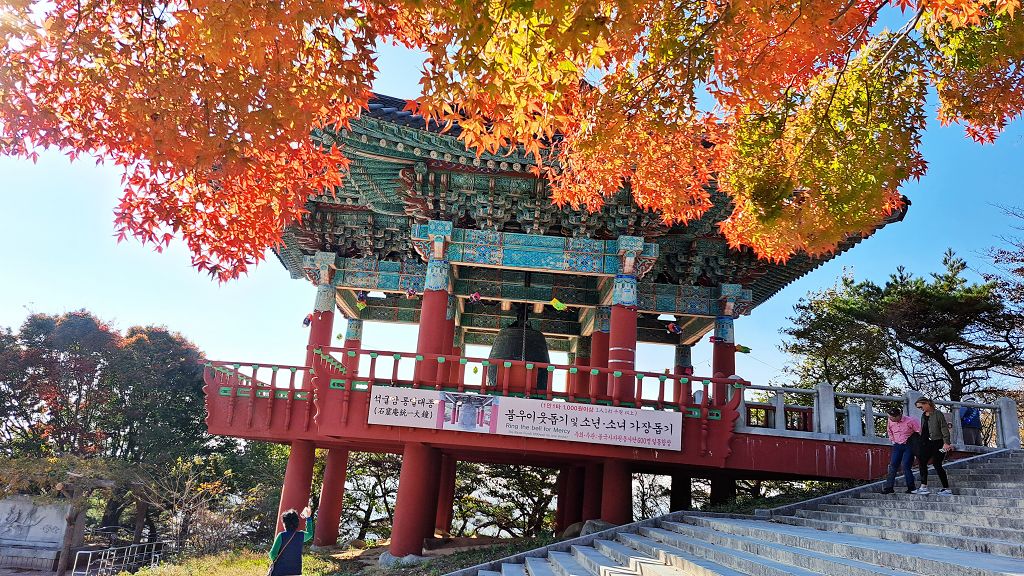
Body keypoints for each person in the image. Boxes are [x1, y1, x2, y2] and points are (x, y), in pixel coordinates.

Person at [913, 398, 953, 496]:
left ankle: (946, 488)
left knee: (937, 464)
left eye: (921, 407)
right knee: (922, 462)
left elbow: (944, 428)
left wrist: (946, 442)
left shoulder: (938, 414)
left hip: (939, 443)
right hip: (925, 443)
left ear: (927, 403)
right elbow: (923, 429)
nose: (920, 409)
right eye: (919, 408)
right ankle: (923, 486)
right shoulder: (923, 415)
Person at [881, 407, 920, 494]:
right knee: (893, 465)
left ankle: (911, 488)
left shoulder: (911, 421)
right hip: (897, 445)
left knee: (905, 465)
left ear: (899, 416)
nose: (890, 419)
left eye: (892, 417)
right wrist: (893, 440)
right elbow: (889, 431)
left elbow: (919, 432)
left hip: (909, 446)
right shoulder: (890, 420)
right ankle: (889, 488)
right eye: (889, 417)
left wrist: (918, 445)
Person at [268, 506, 315, 576]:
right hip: (296, 572)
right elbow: (310, 534)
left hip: (279, 571)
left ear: (284, 523)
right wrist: (308, 517)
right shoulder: (301, 535)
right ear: (297, 522)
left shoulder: (281, 535)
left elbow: (272, 554)